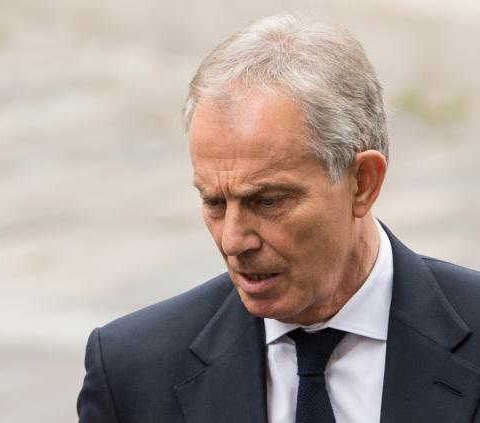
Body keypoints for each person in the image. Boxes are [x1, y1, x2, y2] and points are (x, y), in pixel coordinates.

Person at [77, 13, 480, 423]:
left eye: (268, 201)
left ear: (362, 183)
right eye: (215, 203)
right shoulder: (133, 372)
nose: (233, 241)